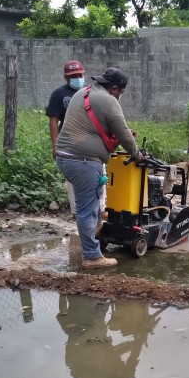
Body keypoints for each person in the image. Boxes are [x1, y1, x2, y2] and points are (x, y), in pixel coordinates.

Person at [54, 67, 138, 270]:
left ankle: (95, 238)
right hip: (82, 161)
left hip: (66, 157)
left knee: (91, 205)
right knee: (88, 210)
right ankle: (91, 256)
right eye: (122, 93)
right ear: (115, 88)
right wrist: (138, 154)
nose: (120, 97)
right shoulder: (109, 101)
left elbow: (93, 129)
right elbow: (125, 134)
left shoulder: (82, 93)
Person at [46, 60, 86, 215]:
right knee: (74, 178)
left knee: (97, 176)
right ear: (66, 78)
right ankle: (77, 211)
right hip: (68, 142)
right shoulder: (59, 94)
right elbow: (54, 120)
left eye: (79, 75)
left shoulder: (90, 91)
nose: (77, 78)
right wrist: (55, 145)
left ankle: (99, 209)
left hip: (90, 141)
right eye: (73, 76)